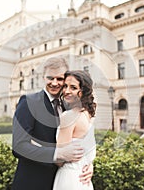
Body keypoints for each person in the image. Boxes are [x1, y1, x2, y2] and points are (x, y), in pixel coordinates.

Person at [11, 57, 93, 190]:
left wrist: (87, 165)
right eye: (50, 78)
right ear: (43, 77)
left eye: (60, 79)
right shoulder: (28, 102)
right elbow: (19, 147)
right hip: (33, 183)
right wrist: (57, 154)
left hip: (63, 181)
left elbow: (82, 142)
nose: (54, 83)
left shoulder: (70, 108)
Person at [53, 70, 97, 190]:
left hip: (69, 177)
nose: (67, 91)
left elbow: (60, 159)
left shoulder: (68, 116)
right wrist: (89, 165)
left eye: (73, 87)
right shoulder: (87, 114)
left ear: (82, 92)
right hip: (83, 179)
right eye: (65, 86)